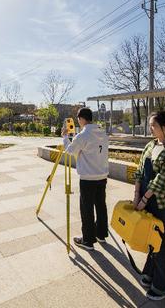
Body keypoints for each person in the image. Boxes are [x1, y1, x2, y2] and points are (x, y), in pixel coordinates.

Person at [133, 111, 165, 301]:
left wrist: (144, 199)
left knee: (164, 245)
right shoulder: (150, 145)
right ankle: (150, 274)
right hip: (147, 201)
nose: (150, 129)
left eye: (153, 126)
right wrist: (136, 195)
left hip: (164, 204)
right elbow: (140, 170)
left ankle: (164, 286)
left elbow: (161, 181)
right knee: (152, 239)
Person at [61, 107, 109, 251]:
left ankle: (88, 240)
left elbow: (70, 151)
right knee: (101, 206)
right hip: (102, 176)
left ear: (81, 119)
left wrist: (65, 137)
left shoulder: (83, 135)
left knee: (86, 209)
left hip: (88, 178)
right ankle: (101, 233)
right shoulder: (102, 132)